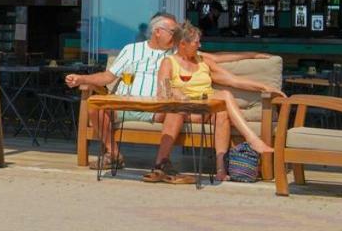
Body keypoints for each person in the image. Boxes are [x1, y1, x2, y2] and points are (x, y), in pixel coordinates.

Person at [64, 12, 272, 173]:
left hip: (158, 109)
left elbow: (215, 59)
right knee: (95, 105)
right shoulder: (131, 50)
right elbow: (108, 77)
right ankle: (114, 154)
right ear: (158, 32)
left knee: (177, 109)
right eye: (173, 32)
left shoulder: (177, 52)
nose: (177, 35)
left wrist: (253, 54)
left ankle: (162, 162)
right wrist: (82, 79)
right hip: (126, 105)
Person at [148, 22, 280, 183]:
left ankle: (220, 170)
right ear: (183, 44)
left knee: (223, 110)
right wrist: (177, 93)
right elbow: (163, 91)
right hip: (181, 109)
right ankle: (160, 163)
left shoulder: (203, 61)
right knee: (177, 111)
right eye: (196, 42)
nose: (200, 45)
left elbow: (233, 80)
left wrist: (265, 86)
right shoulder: (169, 62)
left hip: (204, 109)